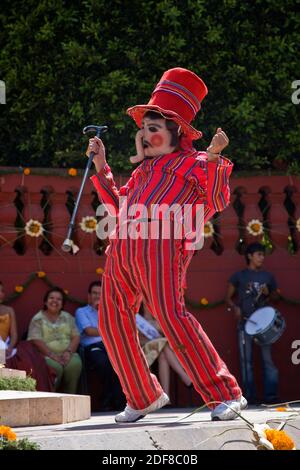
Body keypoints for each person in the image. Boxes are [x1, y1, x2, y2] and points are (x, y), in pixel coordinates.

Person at [88, 67, 246, 422]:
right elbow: (117, 205)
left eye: (155, 126)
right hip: (123, 249)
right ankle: (142, 396)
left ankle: (224, 394)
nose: (147, 133)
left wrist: (216, 157)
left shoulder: (195, 163)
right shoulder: (143, 170)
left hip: (162, 248)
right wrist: (102, 166)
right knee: (111, 321)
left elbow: (217, 200)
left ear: (175, 132)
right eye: (146, 126)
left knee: (173, 319)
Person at [225, 242, 280, 404]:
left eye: (263, 255)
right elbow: (228, 298)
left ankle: (271, 397)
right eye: (259, 255)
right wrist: (235, 308)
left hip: (264, 326)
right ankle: (249, 396)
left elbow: (276, 298)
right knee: (246, 362)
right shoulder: (239, 276)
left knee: (268, 360)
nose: (262, 258)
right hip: (245, 323)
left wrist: (268, 292)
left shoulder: (268, 276)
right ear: (250, 256)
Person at [75, 281, 126, 410]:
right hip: (91, 347)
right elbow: (89, 331)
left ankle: (118, 401)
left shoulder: (109, 311)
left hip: (110, 346)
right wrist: (109, 329)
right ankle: (108, 400)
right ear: (89, 296)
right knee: (104, 363)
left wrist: (103, 312)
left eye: (100, 294)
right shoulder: (81, 311)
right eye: (94, 293)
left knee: (120, 363)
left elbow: (119, 328)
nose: (97, 296)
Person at [27, 287, 82, 394]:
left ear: (62, 303)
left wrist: (68, 352)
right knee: (55, 368)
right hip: (46, 355)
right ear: (45, 301)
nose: (54, 301)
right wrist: (52, 355)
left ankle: (70, 397)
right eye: (51, 298)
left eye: (58, 299)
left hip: (68, 354)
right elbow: (35, 340)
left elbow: (76, 336)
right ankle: (52, 397)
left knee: (75, 364)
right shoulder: (38, 318)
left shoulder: (68, 317)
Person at [137, 304, 192, 400]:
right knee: (163, 345)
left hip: (159, 350)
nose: (148, 304)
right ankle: (184, 377)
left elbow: (169, 335)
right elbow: (135, 340)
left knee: (163, 354)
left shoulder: (159, 319)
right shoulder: (137, 319)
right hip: (143, 350)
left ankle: (166, 396)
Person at [0, 281, 18, 360]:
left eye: (2, 291)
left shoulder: (9, 310)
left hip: (6, 346)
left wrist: (10, 348)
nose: (0, 294)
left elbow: (14, 334)